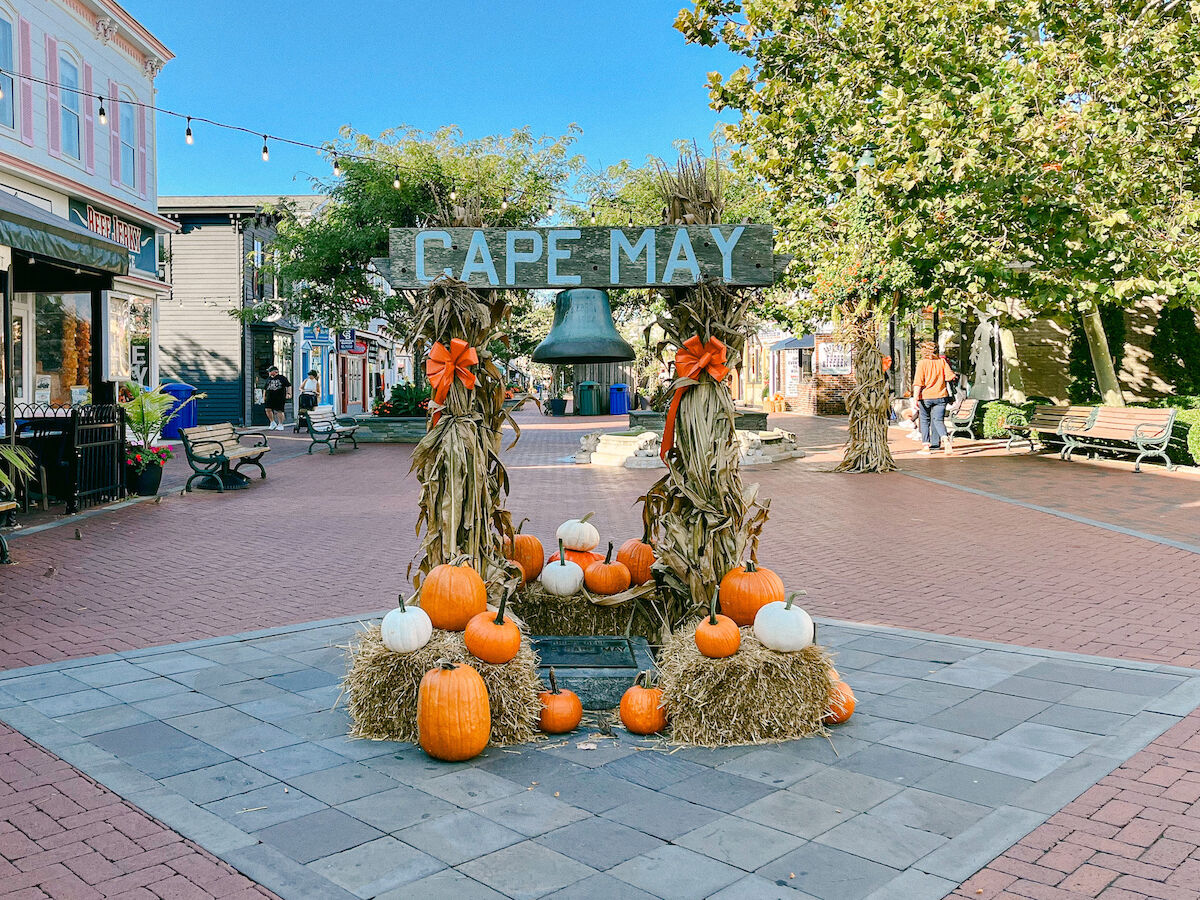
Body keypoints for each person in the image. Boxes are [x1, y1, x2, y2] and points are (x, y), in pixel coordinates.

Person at [912, 341, 956, 455]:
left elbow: (918, 382)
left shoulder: (922, 363)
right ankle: (945, 439)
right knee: (938, 420)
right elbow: (950, 376)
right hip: (941, 396)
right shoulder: (942, 362)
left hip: (925, 397)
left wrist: (915, 398)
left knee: (925, 420)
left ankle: (926, 446)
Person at [263, 365, 291, 430]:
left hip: (279, 397)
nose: (269, 372)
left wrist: (289, 393)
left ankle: (280, 424)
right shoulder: (268, 379)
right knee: (267, 409)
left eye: (270, 371)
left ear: (275, 371)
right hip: (269, 397)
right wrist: (264, 396)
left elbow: (289, 385)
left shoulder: (282, 378)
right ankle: (272, 422)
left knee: (279, 410)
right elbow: (265, 388)